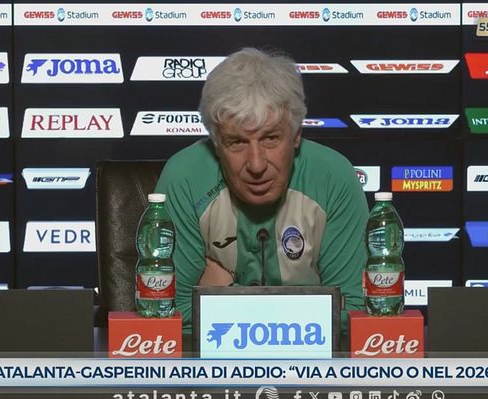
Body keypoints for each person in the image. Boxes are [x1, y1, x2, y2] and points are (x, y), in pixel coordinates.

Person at [154, 47, 369, 331]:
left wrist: (222, 295)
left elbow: (355, 312)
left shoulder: (334, 178)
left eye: (270, 139)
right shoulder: (184, 178)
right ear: (216, 143)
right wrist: (313, 306)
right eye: (237, 142)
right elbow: (164, 315)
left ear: (296, 135)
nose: (256, 165)